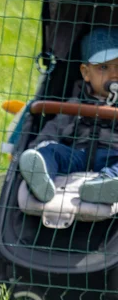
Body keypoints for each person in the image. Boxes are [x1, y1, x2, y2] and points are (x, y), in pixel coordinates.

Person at [20, 27, 118, 205]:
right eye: (103, 67)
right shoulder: (75, 104)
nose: (114, 74)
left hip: (113, 157)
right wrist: (39, 147)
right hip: (78, 155)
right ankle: (41, 176)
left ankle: (106, 185)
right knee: (50, 150)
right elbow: (54, 129)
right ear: (86, 73)